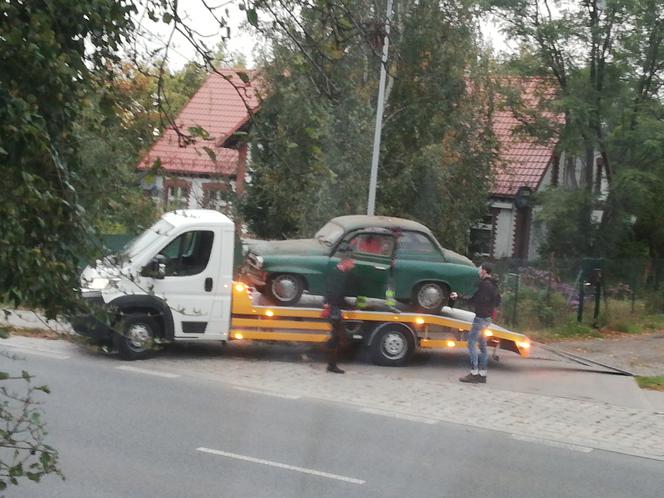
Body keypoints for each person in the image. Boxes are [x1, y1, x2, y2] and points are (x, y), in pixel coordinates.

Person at [451, 262, 501, 384]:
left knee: (471, 343)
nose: (479, 272)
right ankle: (482, 375)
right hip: (487, 318)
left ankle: (474, 373)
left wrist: (458, 297)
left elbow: (475, 300)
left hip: (480, 318)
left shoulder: (484, 285)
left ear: (484, 271)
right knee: (483, 346)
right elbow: (498, 301)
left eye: (480, 270)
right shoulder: (494, 285)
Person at [321, 244, 355, 374]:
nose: (353, 265)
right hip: (334, 308)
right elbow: (335, 294)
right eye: (352, 263)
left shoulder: (338, 273)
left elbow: (332, 291)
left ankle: (331, 363)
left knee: (337, 337)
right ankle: (330, 362)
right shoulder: (338, 274)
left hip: (334, 307)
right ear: (346, 262)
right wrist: (329, 303)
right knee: (338, 337)